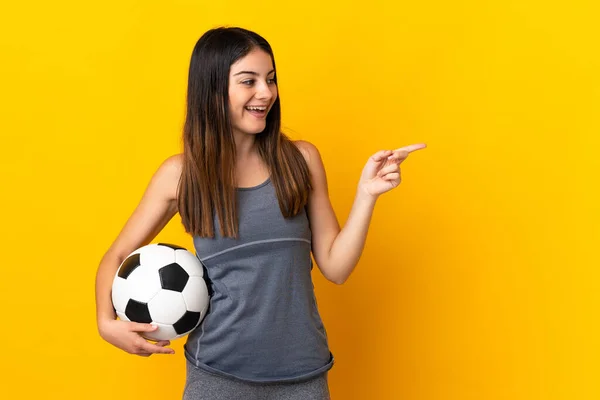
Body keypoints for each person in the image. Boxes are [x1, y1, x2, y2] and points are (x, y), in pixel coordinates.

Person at [95, 26, 426, 400]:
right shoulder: (180, 175)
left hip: (303, 377)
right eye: (248, 81)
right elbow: (118, 256)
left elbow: (336, 267)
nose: (266, 93)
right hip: (217, 377)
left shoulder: (301, 160)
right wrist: (107, 324)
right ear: (213, 89)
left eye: (270, 79)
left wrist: (366, 195)